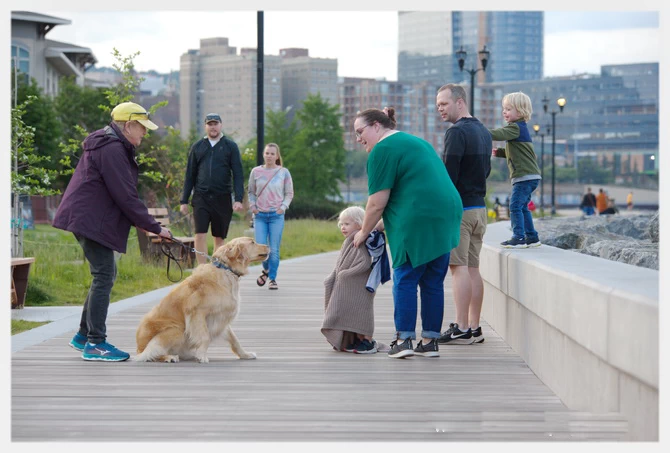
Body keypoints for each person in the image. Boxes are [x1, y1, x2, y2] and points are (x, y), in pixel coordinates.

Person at [53, 101, 172, 362]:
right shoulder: (112, 149)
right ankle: (96, 343)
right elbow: (126, 196)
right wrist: (155, 228)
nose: (145, 133)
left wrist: (150, 226)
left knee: (105, 273)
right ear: (128, 125)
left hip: (89, 217)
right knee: (104, 274)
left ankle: (84, 335)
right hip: (89, 219)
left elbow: (122, 194)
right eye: (142, 127)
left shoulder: (112, 144)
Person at [352, 107, 463, 359]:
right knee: (433, 281)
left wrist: (363, 232)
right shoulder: (415, 141)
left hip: (418, 218)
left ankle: (404, 341)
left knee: (405, 278)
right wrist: (382, 225)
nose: (358, 138)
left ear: (377, 126)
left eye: (361, 131)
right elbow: (411, 186)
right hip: (446, 215)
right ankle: (430, 342)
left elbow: (377, 202)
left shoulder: (382, 149)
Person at [435, 84, 491, 346]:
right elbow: (487, 170)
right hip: (480, 207)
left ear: (460, 102)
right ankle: (475, 327)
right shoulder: (483, 131)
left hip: (461, 210)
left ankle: (460, 327)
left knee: (458, 269)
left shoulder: (455, 133)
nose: (440, 109)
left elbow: (448, 177)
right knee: (473, 269)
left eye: (444, 104)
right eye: (437, 105)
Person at [321, 207, 390, 354]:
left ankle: (368, 341)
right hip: (348, 284)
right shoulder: (349, 240)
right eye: (341, 224)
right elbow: (341, 262)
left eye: (347, 224)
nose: (343, 227)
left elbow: (364, 263)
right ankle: (354, 339)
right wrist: (333, 275)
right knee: (349, 311)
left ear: (359, 224)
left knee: (361, 311)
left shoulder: (360, 239)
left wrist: (346, 274)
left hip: (360, 284)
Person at [180, 113, 244, 265]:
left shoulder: (230, 146)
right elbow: (190, 175)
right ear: (205, 126)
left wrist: (238, 199)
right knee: (200, 234)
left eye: (215, 124)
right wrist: (184, 200)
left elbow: (238, 174)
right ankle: (202, 268)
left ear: (220, 125)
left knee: (219, 237)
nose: (213, 127)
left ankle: (216, 267)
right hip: (201, 197)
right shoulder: (198, 147)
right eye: (210, 124)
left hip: (222, 197)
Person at [490, 92, 542, 249]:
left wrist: (480, 131)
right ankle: (532, 237)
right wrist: (499, 152)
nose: (504, 112)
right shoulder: (520, 129)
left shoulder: (515, 128)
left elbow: (500, 133)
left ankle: (518, 237)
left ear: (519, 111)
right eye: (503, 109)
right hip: (530, 176)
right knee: (523, 206)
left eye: (508, 109)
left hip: (524, 176)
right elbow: (516, 152)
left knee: (514, 206)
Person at [248, 143, 294, 290]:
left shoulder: (283, 172)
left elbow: (289, 193)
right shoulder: (255, 172)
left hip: (276, 216)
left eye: (272, 154)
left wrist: (283, 207)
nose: (269, 156)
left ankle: (272, 278)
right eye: (267, 153)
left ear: (277, 156)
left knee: (273, 250)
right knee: (261, 249)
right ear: (263, 154)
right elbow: (251, 192)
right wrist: (253, 207)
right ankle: (266, 270)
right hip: (260, 215)